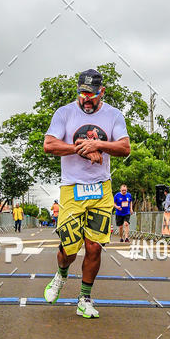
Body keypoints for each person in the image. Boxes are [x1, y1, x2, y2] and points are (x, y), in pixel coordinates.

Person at [43, 68, 131, 319]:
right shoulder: (64, 113)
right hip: (72, 187)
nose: (86, 99)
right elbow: (49, 144)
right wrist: (81, 149)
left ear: (102, 92)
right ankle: (60, 275)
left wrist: (99, 144)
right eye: (82, 93)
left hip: (101, 187)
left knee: (94, 247)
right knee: (69, 249)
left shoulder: (114, 115)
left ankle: (84, 298)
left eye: (91, 94)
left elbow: (124, 147)